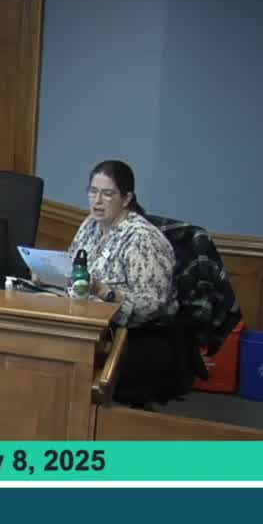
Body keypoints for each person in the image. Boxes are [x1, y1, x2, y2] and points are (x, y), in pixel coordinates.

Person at [70, 160, 182, 406]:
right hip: (90, 325)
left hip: (136, 337)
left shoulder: (143, 239)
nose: (97, 201)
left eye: (107, 194)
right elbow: (72, 265)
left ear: (126, 198)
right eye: (93, 191)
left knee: (68, 363)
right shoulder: (90, 225)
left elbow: (151, 306)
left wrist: (105, 292)